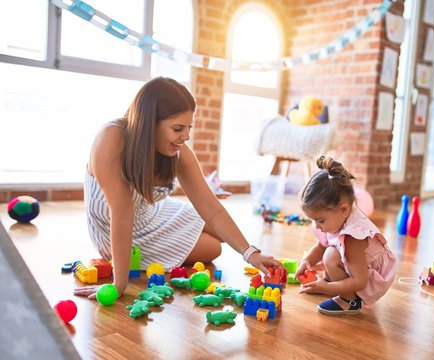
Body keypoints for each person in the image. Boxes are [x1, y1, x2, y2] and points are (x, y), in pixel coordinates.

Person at [75, 77, 281, 299]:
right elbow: (122, 214)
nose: (186, 136)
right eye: (178, 128)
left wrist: (250, 253)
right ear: (149, 122)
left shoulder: (177, 151)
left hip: (149, 215)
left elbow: (211, 208)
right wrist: (119, 284)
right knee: (213, 248)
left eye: (189, 127)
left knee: (217, 232)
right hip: (116, 229)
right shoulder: (111, 139)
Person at [294, 156, 397, 315]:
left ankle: (350, 300)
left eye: (320, 220)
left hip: (369, 277)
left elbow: (360, 281)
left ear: (343, 210)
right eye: (314, 221)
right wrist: (306, 261)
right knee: (330, 251)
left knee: (331, 255)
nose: (318, 227)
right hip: (356, 267)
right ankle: (333, 283)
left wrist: (327, 289)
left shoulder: (354, 237)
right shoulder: (336, 218)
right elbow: (321, 245)